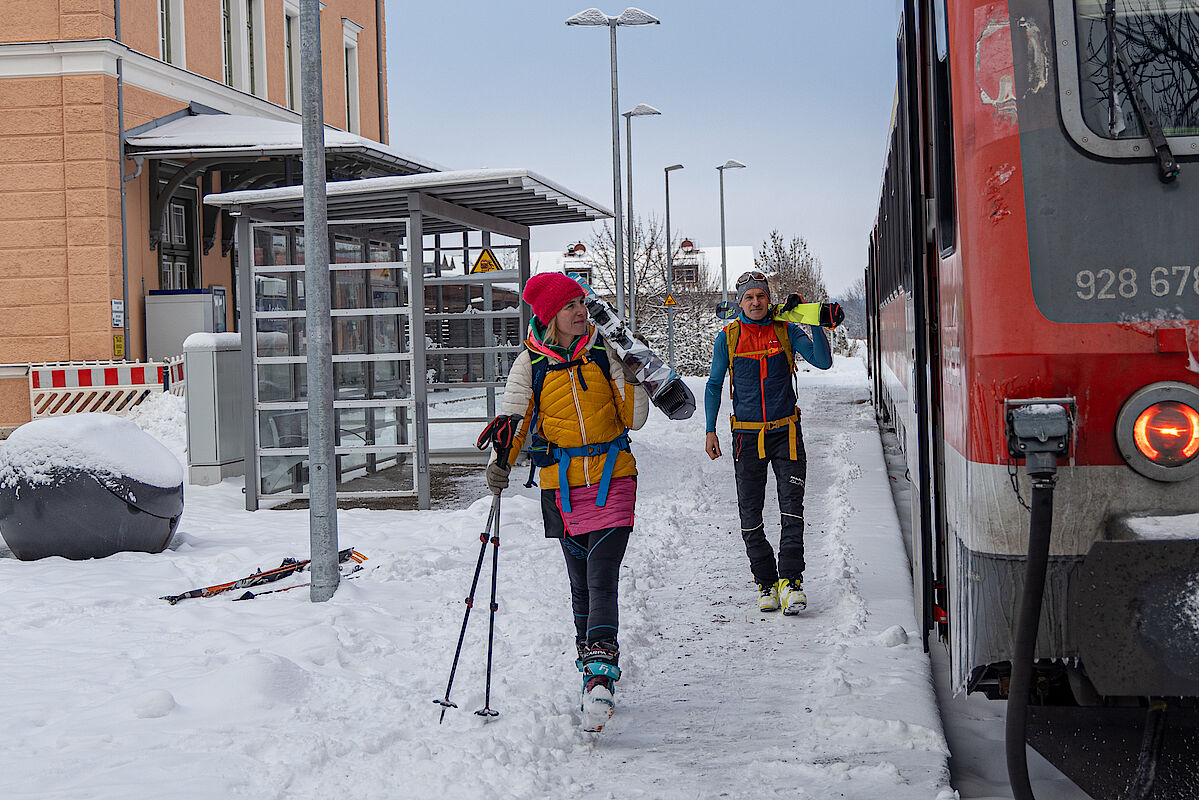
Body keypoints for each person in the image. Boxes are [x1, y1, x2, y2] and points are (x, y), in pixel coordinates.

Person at [483, 271, 648, 731]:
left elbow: (634, 419)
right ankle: (588, 670)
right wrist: (502, 463)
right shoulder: (529, 365)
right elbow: (515, 420)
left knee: (601, 575)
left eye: (583, 304)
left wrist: (632, 373)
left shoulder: (604, 350)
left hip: (614, 476)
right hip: (562, 488)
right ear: (550, 315)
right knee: (580, 584)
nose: (582, 312)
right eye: (572, 306)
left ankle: (600, 676)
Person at [704, 271, 836, 615]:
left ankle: (791, 581)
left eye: (761, 296)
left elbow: (822, 361)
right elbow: (714, 385)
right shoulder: (729, 337)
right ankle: (765, 582)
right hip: (746, 436)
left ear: (768, 298)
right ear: (740, 302)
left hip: (786, 433)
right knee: (751, 515)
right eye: (749, 297)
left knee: (792, 511)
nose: (756, 302)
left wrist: (815, 321)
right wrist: (710, 429)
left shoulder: (785, 329)